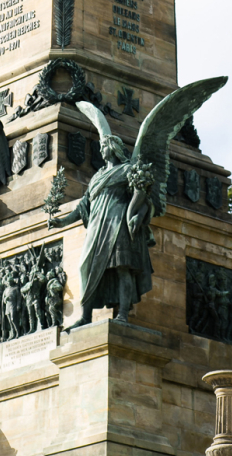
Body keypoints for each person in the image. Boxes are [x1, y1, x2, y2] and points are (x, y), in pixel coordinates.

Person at [49, 130, 154, 326]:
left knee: (123, 268)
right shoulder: (97, 176)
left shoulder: (127, 170)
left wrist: (137, 217)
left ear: (113, 148)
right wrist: (62, 222)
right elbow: (83, 206)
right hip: (97, 227)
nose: (101, 149)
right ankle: (85, 316)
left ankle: (122, 314)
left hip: (119, 223)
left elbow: (144, 199)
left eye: (104, 146)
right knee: (85, 267)